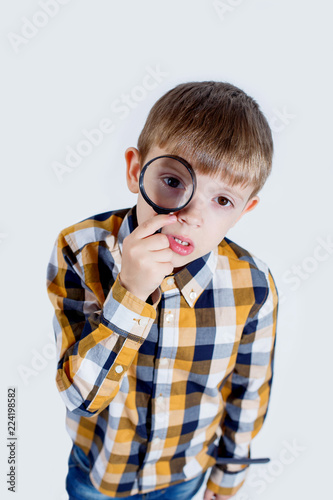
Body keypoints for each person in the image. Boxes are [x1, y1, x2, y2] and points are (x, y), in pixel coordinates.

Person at [46, 81, 278, 500]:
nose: (189, 215)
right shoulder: (81, 251)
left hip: (183, 477)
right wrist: (131, 294)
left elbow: (248, 392)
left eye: (222, 201)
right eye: (173, 181)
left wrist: (227, 480)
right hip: (98, 471)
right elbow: (79, 397)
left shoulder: (252, 287)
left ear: (246, 211)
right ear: (137, 171)